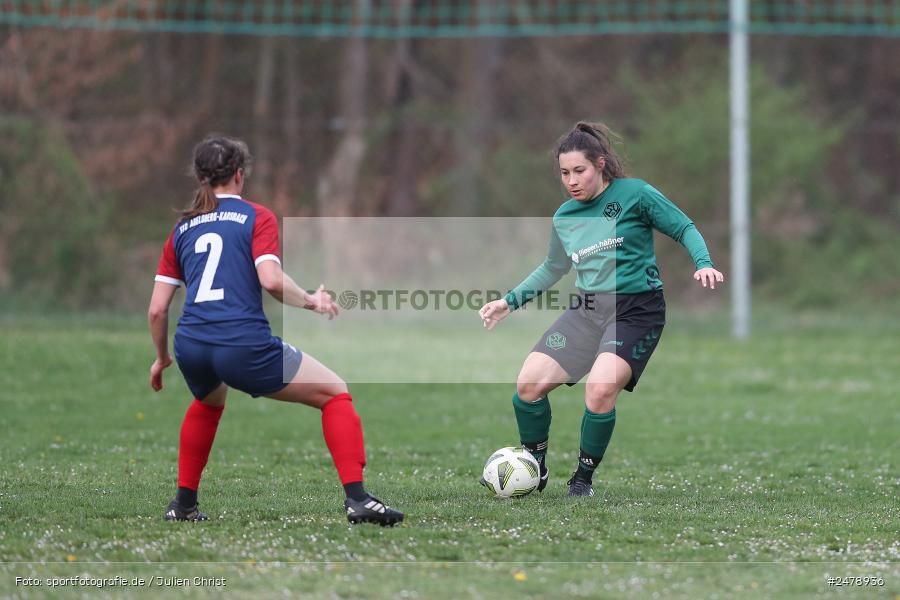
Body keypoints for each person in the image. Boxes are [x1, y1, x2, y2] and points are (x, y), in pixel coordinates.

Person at [148, 135, 403, 525]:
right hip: (240, 343)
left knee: (208, 402)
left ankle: (183, 505)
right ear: (239, 174)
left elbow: (157, 309)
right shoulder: (256, 216)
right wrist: (312, 301)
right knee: (335, 392)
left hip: (192, 345)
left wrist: (161, 357)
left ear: (200, 177)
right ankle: (358, 500)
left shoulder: (182, 228)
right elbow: (271, 280)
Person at [478, 121, 724, 497]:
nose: (572, 180)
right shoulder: (565, 217)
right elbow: (553, 268)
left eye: (580, 170)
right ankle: (534, 467)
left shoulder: (635, 194)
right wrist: (508, 301)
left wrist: (703, 262)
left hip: (636, 312)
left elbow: (683, 227)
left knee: (600, 389)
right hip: (588, 310)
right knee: (528, 385)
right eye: (565, 173)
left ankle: (582, 480)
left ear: (601, 164)